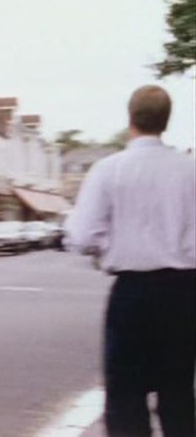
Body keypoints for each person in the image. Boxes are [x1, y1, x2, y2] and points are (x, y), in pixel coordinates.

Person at [65, 85, 195, 437]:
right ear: (166, 121)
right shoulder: (190, 170)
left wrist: (109, 246)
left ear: (130, 118)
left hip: (133, 293)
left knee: (124, 398)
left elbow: (81, 235)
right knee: (179, 394)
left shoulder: (108, 170)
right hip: (185, 293)